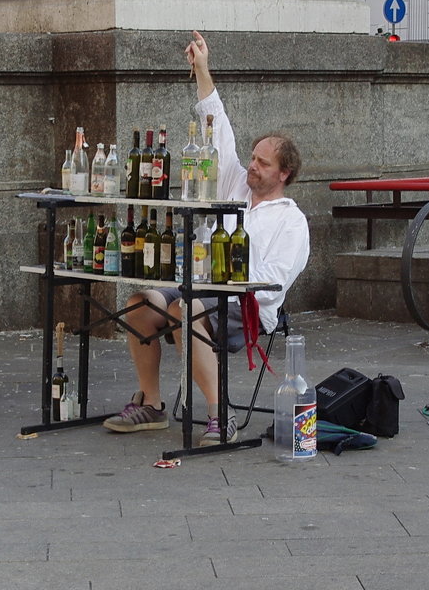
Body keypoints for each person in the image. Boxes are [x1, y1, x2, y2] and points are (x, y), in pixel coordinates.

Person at [103, 30, 311, 446]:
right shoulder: (235, 183)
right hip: (196, 286)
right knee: (139, 303)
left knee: (185, 308)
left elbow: (271, 286)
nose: (251, 167)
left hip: (244, 307)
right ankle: (153, 404)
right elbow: (217, 126)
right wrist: (202, 67)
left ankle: (221, 416)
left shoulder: (292, 222)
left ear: (283, 173)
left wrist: (223, 265)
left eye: (262, 163)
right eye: (252, 158)